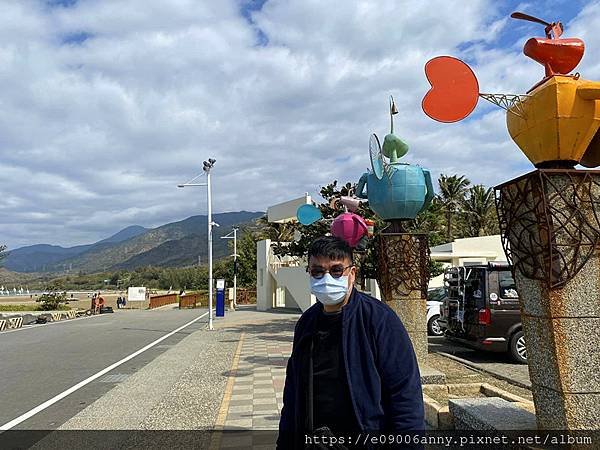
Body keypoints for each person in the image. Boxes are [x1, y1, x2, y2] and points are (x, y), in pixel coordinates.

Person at [277, 236, 424, 449]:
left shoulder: (378, 319)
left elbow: (405, 394)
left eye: (336, 270)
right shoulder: (306, 323)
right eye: (317, 271)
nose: (326, 278)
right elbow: (292, 394)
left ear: (352, 274)